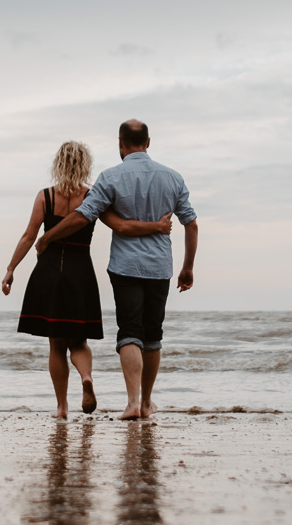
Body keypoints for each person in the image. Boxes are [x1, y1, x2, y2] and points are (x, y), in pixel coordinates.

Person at [36, 120, 197, 420]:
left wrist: (47, 236)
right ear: (148, 142)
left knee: (129, 333)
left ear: (121, 144)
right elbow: (192, 223)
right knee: (153, 335)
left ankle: (133, 402)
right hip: (161, 266)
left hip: (125, 267)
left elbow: (82, 216)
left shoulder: (110, 178)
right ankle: (147, 403)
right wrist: (187, 268)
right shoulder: (173, 177)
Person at [3, 140, 172, 419]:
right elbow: (121, 226)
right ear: (85, 165)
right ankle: (86, 377)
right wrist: (157, 226)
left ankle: (61, 408)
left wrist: (11, 268)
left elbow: (29, 236)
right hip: (80, 271)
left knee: (56, 344)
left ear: (58, 163)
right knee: (79, 341)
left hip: (48, 271)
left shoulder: (44, 197)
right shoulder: (92, 196)